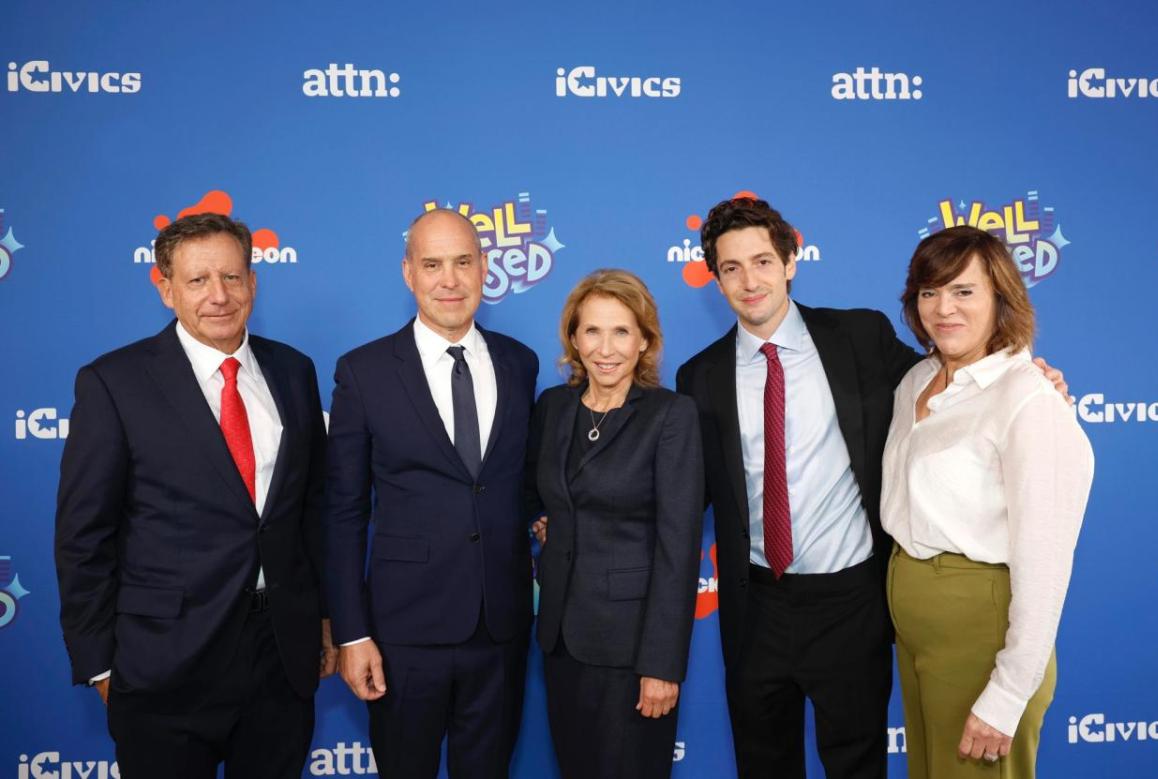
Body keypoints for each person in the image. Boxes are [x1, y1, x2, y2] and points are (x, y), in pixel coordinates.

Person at [674, 197, 1068, 778]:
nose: (749, 280)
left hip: (851, 603)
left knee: (858, 763)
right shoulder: (699, 376)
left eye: (762, 261)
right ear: (715, 278)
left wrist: (1033, 373)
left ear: (791, 261)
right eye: (731, 268)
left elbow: (957, 380)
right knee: (763, 763)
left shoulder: (860, 336)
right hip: (755, 605)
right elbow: (683, 491)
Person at [54, 212, 335, 779]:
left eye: (232, 277)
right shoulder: (114, 383)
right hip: (163, 664)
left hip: (280, 655)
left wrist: (324, 619)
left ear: (254, 282)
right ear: (165, 289)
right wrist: (100, 665)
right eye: (198, 280)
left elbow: (313, 512)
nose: (219, 296)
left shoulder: (294, 371)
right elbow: (84, 535)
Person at [323, 208, 539, 779]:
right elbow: (342, 512)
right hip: (403, 635)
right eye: (433, 264)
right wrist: (351, 631)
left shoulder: (520, 363)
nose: (450, 280)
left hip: (501, 628)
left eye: (463, 262)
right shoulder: (363, 371)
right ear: (408, 274)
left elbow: (523, 482)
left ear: (485, 269)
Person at [881, 225, 1093, 778]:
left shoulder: (1029, 399)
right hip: (919, 633)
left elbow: (1045, 561)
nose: (943, 308)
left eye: (963, 291)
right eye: (929, 292)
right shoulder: (916, 382)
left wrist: (1006, 693)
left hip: (981, 633)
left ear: (1002, 298)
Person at [526, 269, 704, 779]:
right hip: (561, 639)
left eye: (622, 331)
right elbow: (538, 492)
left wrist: (662, 666)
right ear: (574, 339)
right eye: (593, 331)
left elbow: (678, 545)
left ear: (645, 340)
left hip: (632, 648)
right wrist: (547, 519)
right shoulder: (554, 407)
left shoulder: (671, 416)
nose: (606, 348)